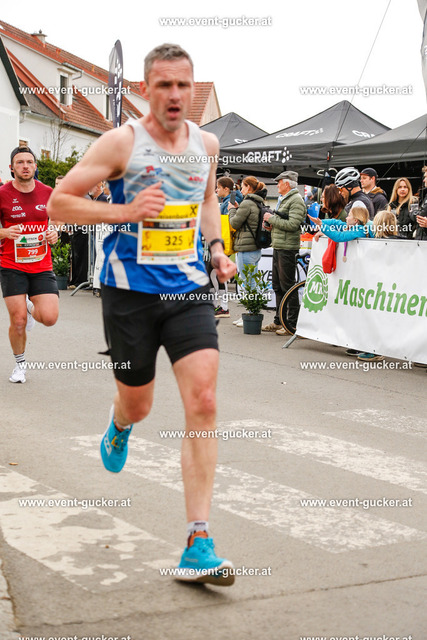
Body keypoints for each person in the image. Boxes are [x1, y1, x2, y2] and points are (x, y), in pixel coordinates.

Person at [48, 43, 237, 586]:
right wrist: (125, 210)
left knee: (203, 400)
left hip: (189, 288)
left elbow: (207, 202)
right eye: (164, 85)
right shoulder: (121, 143)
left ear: (192, 88)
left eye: (183, 85)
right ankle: (120, 424)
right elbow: (60, 202)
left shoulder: (205, 145)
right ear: (146, 89)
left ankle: (198, 541)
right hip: (129, 292)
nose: (175, 95)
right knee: (139, 403)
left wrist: (216, 249)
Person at [0, 146, 59, 383]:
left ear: (35, 166)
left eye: (29, 162)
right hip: (11, 264)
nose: (25, 166)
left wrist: (55, 231)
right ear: (12, 168)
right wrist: (5, 232)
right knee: (18, 321)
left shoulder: (48, 192)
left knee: (50, 317)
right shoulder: (2, 194)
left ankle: (29, 306)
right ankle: (20, 366)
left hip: (41, 265)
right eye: (20, 162)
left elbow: (56, 219)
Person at [262, 170, 306, 336]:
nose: (277, 185)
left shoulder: (296, 200)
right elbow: (285, 222)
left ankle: (291, 324)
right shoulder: (287, 199)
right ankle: (279, 320)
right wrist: (271, 225)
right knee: (278, 286)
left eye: (279, 182)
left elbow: (293, 225)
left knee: (287, 286)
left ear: (287, 184)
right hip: (280, 245)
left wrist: (271, 219)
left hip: (287, 248)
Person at [228, 175, 265, 327]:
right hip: (255, 247)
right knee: (252, 282)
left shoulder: (247, 203)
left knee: (247, 283)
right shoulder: (257, 202)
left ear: (248, 187)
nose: (241, 190)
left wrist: (232, 210)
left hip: (245, 248)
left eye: (242, 186)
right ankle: (252, 312)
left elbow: (234, 223)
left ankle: (250, 314)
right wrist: (238, 209)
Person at [414, 166, 427, 240]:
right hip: (421, 240)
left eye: (426, 177)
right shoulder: (424, 195)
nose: (424, 180)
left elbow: (420, 214)